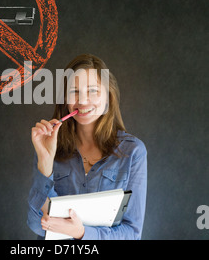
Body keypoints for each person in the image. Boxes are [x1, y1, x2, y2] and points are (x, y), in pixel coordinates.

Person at [27, 54, 147, 240]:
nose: (82, 101)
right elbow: (37, 224)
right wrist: (45, 161)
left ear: (108, 96)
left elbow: (132, 233)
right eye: (74, 91)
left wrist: (81, 233)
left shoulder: (133, 152)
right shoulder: (49, 146)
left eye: (92, 91)